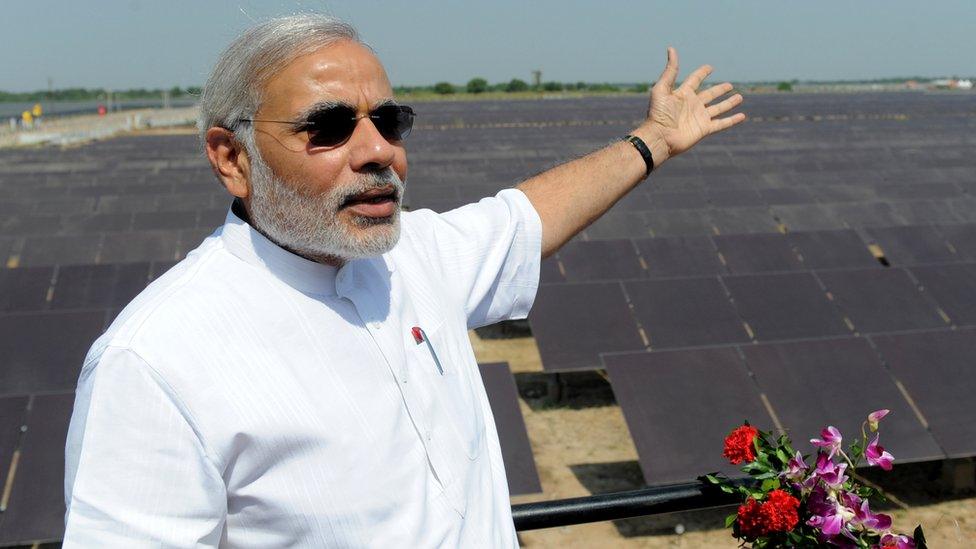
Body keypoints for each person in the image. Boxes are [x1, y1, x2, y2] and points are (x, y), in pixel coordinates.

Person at [62, 14, 744, 548]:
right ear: (231, 157)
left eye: (388, 121)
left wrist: (651, 140)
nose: (378, 151)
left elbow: (528, 215)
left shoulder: (414, 256)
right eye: (327, 128)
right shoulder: (155, 363)